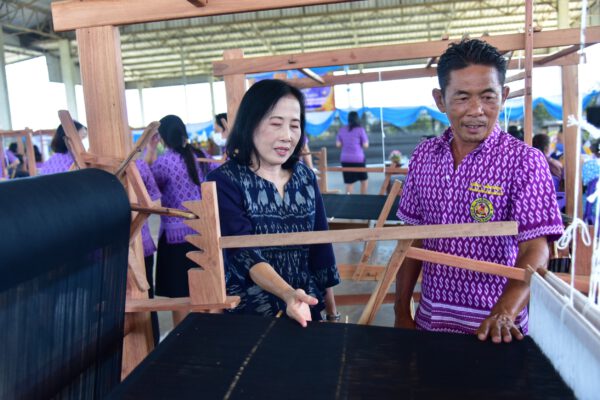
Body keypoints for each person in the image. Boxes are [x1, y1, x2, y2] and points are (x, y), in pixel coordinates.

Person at [394, 39, 563, 343]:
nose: (476, 111)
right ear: (440, 100)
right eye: (462, 97)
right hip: (431, 324)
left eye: (488, 97)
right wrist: (401, 310)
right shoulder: (424, 156)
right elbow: (411, 238)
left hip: (497, 332)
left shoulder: (525, 162)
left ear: (504, 96)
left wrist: (504, 313)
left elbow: (535, 248)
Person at [207, 79, 340, 327]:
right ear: (250, 124)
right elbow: (244, 253)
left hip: (306, 307)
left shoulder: (305, 177)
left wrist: (332, 314)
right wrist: (287, 293)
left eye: (295, 125)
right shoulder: (224, 181)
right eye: (276, 124)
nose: (287, 136)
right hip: (250, 316)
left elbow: (321, 249)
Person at [149, 114, 214, 324]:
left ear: (162, 137)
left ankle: (181, 336)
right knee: (206, 291)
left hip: (175, 239)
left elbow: (146, 186)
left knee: (179, 296)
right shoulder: (200, 155)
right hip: (203, 233)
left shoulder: (163, 162)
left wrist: (150, 150)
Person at [336, 111, 369, 194]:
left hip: (345, 159)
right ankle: (363, 198)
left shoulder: (342, 130)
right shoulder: (360, 130)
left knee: (349, 182)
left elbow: (338, 145)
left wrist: (346, 143)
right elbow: (365, 145)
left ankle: (348, 200)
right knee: (364, 181)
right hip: (358, 159)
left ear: (348, 119)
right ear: (357, 119)